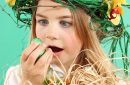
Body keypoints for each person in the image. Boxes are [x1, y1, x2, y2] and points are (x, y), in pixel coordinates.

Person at [4, 0, 129, 85]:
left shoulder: (113, 81)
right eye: (43, 21)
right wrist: (30, 81)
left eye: (65, 23)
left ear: (89, 30)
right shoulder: (18, 77)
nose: (51, 34)